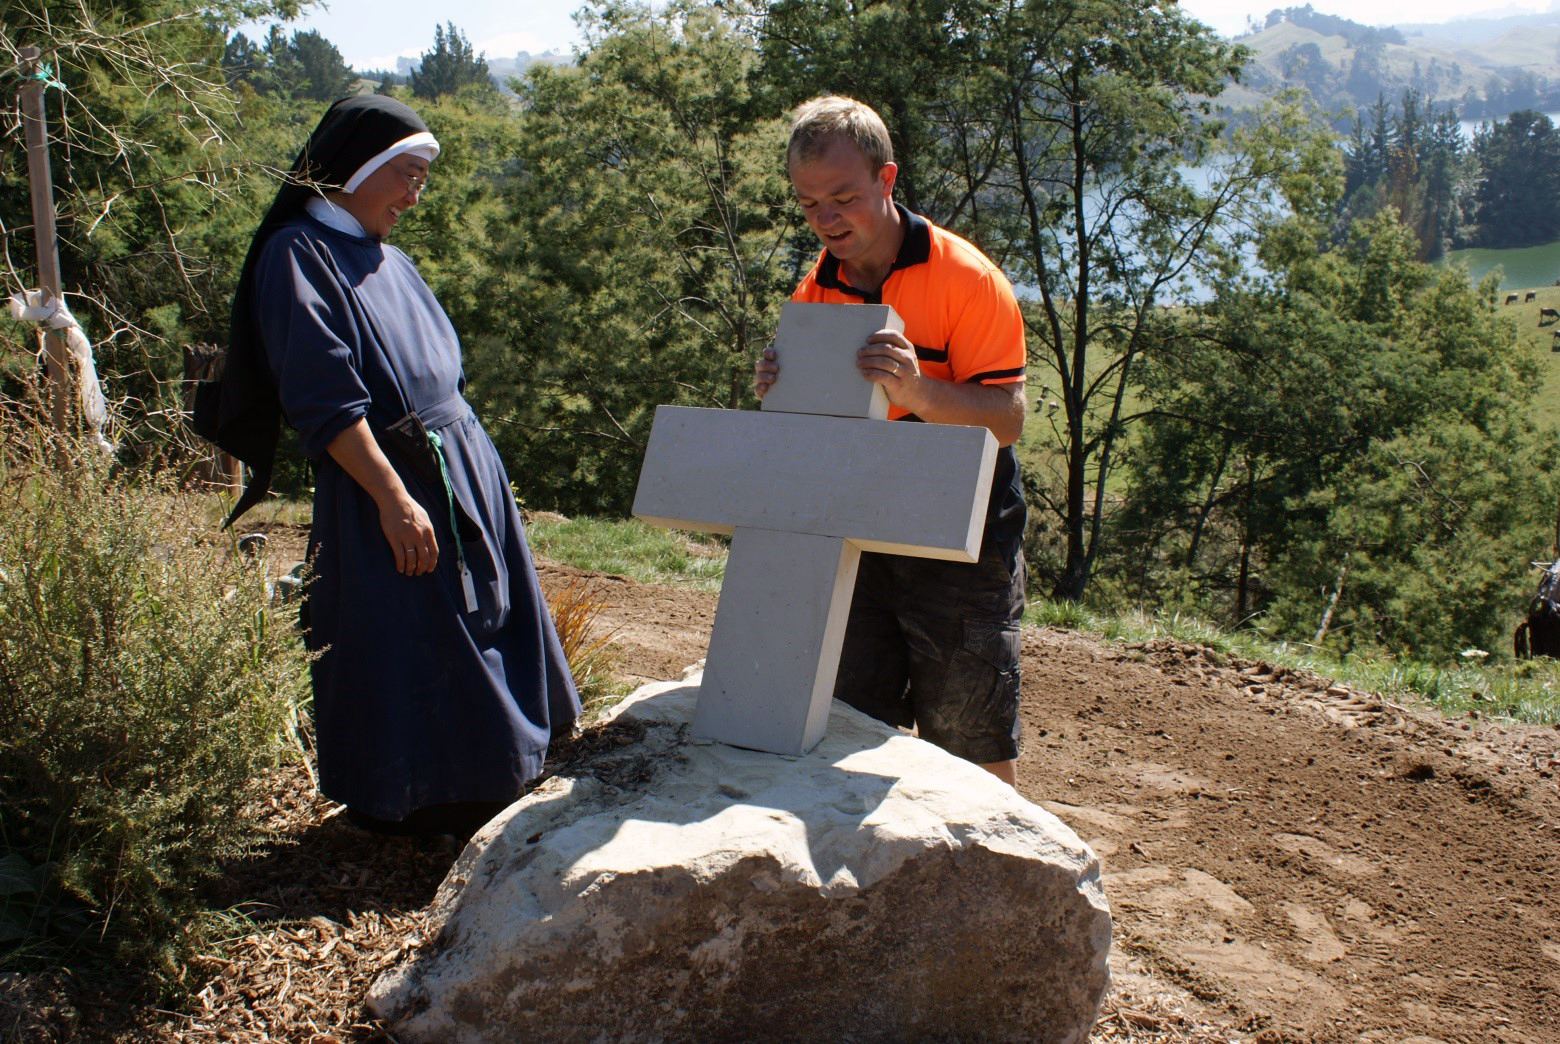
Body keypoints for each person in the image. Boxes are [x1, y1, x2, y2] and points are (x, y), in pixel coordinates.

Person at [218, 95, 580, 839]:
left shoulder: (390, 256)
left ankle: (501, 774)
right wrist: (392, 498)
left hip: (453, 464)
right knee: (414, 638)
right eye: (408, 176)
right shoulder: (299, 255)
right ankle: (426, 807)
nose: (416, 196)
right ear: (359, 170)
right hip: (388, 479)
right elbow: (326, 402)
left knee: (485, 622)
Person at [754, 96, 1027, 787]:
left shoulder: (969, 279)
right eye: (809, 203)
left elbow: (1008, 420)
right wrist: (782, 390)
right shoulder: (816, 287)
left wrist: (919, 391)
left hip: (962, 531)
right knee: (849, 720)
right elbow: (813, 433)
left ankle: (999, 883)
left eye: (843, 197)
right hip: (861, 522)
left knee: (970, 732)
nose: (826, 219)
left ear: (887, 179)